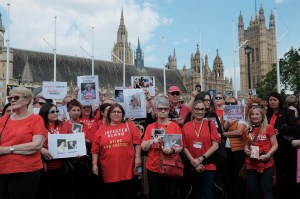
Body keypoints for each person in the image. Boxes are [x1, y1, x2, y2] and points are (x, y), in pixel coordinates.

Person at [0, 87, 46, 198]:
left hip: (25, 172)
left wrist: (7, 149)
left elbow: (36, 145)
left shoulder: (36, 119)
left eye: (16, 97)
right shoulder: (5, 118)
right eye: (10, 98)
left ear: (27, 100)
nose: (12, 100)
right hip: (2, 170)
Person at [92, 103, 142, 198]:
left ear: (122, 114)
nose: (116, 114)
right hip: (109, 170)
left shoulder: (129, 125)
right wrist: (94, 164)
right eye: (113, 112)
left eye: (119, 112)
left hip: (127, 169)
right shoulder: (101, 129)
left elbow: (138, 141)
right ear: (109, 114)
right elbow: (95, 148)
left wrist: (138, 157)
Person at [141, 97, 182, 199]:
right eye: (160, 109)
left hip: (171, 166)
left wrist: (172, 150)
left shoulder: (175, 126)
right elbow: (143, 147)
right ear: (155, 110)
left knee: (171, 194)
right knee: (155, 194)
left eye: (165, 108)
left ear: (169, 110)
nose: (163, 111)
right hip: (153, 167)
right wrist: (152, 141)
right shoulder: (150, 127)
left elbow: (180, 147)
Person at [182, 100, 220, 198]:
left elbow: (215, 145)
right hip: (193, 165)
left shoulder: (210, 124)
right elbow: (184, 146)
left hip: (208, 164)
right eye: (197, 109)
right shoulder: (186, 126)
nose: (200, 112)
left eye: (202, 109)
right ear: (192, 110)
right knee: (196, 193)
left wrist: (200, 159)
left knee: (207, 193)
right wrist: (194, 162)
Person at [266, 92, 299, 198]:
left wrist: (280, 130)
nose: (272, 102)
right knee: (278, 176)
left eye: (274, 100)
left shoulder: (287, 112)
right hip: (271, 149)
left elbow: (295, 128)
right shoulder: (267, 114)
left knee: (288, 176)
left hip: (285, 150)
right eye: (270, 100)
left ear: (279, 101)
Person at [244, 105, 278, 199]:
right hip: (251, 164)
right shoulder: (247, 129)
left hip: (265, 163)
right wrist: (246, 150)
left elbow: (275, 145)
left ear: (262, 116)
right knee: (253, 190)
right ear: (250, 116)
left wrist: (268, 155)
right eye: (252, 114)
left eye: (257, 114)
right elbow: (246, 145)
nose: (254, 116)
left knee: (266, 191)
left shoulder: (268, 127)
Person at [37, 102, 69, 199]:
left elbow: (70, 140)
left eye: (57, 111)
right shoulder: (38, 126)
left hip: (61, 167)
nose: (56, 113)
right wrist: (41, 149)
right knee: (44, 194)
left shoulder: (63, 125)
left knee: (59, 194)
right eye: (52, 112)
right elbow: (31, 142)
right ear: (45, 113)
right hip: (44, 168)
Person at [222, 96, 247, 198]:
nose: (230, 106)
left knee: (237, 177)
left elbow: (239, 132)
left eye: (233, 104)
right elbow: (218, 132)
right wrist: (226, 125)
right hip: (225, 150)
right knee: (227, 177)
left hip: (237, 151)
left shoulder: (241, 116)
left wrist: (224, 134)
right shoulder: (223, 118)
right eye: (228, 104)